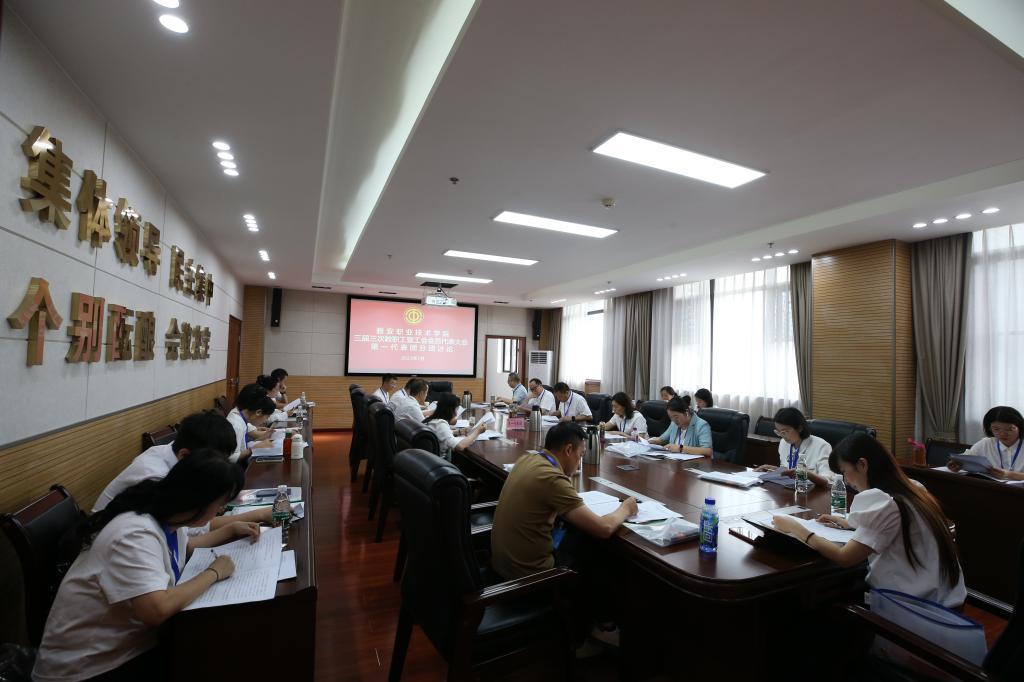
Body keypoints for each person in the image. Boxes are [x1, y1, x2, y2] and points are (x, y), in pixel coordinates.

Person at [32, 453, 259, 682]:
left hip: (125, 649)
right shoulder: (134, 533)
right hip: (87, 668)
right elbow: (156, 610)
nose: (220, 510)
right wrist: (214, 572)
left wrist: (230, 530)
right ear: (198, 500)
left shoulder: (168, 516)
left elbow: (185, 548)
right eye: (220, 503)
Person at [773, 433, 966, 607]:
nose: (845, 480)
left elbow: (844, 557)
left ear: (862, 465)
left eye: (844, 471)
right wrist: (847, 523)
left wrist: (796, 528)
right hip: (944, 599)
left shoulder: (882, 501)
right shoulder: (913, 487)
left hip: (912, 609)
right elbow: (892, 524)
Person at [491, 422, 638, 580]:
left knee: (573, 533)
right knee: (598, 554)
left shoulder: (527, 459)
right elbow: (604, 528)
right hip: (530, 578)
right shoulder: (552, 478)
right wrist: (626, 508)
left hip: (502, 566)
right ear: (568, 450)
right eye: (580, 455)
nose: (579, 461)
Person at [93, 411, 278, 529]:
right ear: (184, 455)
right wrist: (257, 515)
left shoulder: (170, 454)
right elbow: (191, 528)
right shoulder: (157, 478)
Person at [754, 407, 834, 486]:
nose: (782, 436)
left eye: (785, 431)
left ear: (799, 428)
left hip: (811, 491)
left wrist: (806, 474)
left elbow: (827, 481)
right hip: (790, 489)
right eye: (778, 432)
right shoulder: (783, 443)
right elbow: (789, 470)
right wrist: (773, 469)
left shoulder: (822, 446)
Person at [949, 406, 1024, 481]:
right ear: (990, 428)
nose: (1002, 434)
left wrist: (1009, 475)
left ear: (1020, 427)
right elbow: (964, 459)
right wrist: (956, 465)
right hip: (991, 486)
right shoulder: (985, 444)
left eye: (1010, 429)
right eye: (996, 429)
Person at [423, 393, 488, 459]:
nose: (456, 413)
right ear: (449, 410)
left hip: (429, 460)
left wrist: (460, 431)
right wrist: (477, 432)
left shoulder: (432, 420)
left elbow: (442, 434)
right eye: (456, 409)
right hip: (440, 462)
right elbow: (460, 446)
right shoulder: (441, 424)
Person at [648, 395, 712, 456]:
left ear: (686, 412)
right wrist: (650, 441)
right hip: (674, 460)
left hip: (694, 462)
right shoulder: (674, 424)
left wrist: (680, 448)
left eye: (676, 417)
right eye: (671, 417)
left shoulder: (702, 425)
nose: (674, 420)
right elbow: (662, 439)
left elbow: (707, 451)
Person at [226, 384, 275, 463]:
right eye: (267, 417)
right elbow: (231, 458)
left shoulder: (240, 415)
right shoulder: (236, 425)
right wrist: (253, 449)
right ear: (258, 412)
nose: (265, 421)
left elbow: (243, 445)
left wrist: (261, 439)